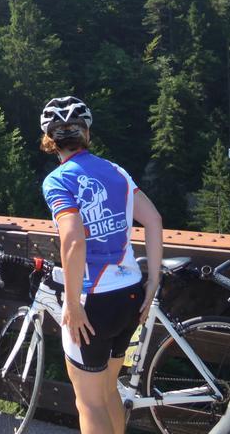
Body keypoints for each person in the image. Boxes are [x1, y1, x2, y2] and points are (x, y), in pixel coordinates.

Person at [39, 96, 163, 434]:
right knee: (109, 390)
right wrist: (154, 281)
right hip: (131, 293)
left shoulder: (58, 181)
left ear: (50, 141)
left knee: (88, 403)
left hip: (92, 299)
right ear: (86, 135)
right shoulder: (116, 171)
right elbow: (153, 220)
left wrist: (73, 302)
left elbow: (74, 239)